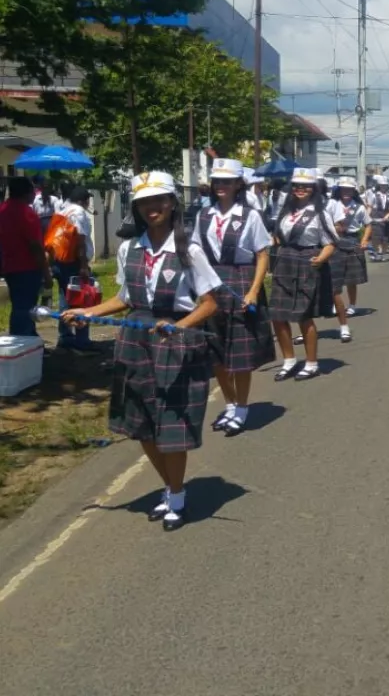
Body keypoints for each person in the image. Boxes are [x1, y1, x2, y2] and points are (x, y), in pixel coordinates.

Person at [63, 172, 220, 531]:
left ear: (171, 203)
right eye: (145, 202)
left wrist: (178, 327)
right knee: (143, 423)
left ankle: (177, 497)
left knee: (171, 423)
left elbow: (210, 303)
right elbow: (124, 298)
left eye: (160, 200)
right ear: (137, 207)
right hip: (136, 342)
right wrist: (87, 313)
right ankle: (169, 488)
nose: (153, 207)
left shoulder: (188, 249)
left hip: (175, 341)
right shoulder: (129, 248)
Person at [192, 159, 275, 435]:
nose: (221, 186)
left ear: (238, 184)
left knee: (239, 355)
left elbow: (263, 253)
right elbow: (196, 251)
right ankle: (228, 405)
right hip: (212, 284)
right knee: (214, 352)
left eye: (227, 181)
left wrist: (253, 290)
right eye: (217, 181)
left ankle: (242, 407)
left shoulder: (250, 216)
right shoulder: (203, 216)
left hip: (241, 282)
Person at [269, 168, 337, 382]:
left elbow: (330, 242)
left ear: (314, 189)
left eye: (306, 186)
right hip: (284, 262)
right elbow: (277, 237)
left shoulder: (320, 212)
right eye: (297, 185)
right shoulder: (284, 211)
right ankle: (289, 360)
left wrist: (321, 259)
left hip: (308, 262)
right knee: (278, 316)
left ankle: (311, 363)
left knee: (303, 316)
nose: (300, 189)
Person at [0, 177, 52, 336]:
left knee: (19, 306)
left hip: (9, 266)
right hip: (27, 267)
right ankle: (23, 343)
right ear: (27, 193)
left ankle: (29, 340)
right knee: (26, 309)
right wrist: (46, 273)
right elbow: (35, 246)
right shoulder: (27, 213)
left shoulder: (3, 210)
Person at [47, 187, 96, 352]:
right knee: (82, 299)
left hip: (60, 261)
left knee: (65, 299)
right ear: (83, 201)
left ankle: (65, 337)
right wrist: (83, 265)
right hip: (74, 263)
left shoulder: (63, 210)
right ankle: (82, 341)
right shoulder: (79, 212)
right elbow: (80, 240)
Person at [329, 177, 370, 329]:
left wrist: (364, 240)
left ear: (354, 191)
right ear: (338, 190)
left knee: (352, 278)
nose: (346, 192)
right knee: (334, 276)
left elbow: (368, 225)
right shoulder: (332, 204)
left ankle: (352, 304)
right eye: (343, 189)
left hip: (353, 240)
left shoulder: (359, 207)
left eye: (349, 189)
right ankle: (336, 303)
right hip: (335, 241)